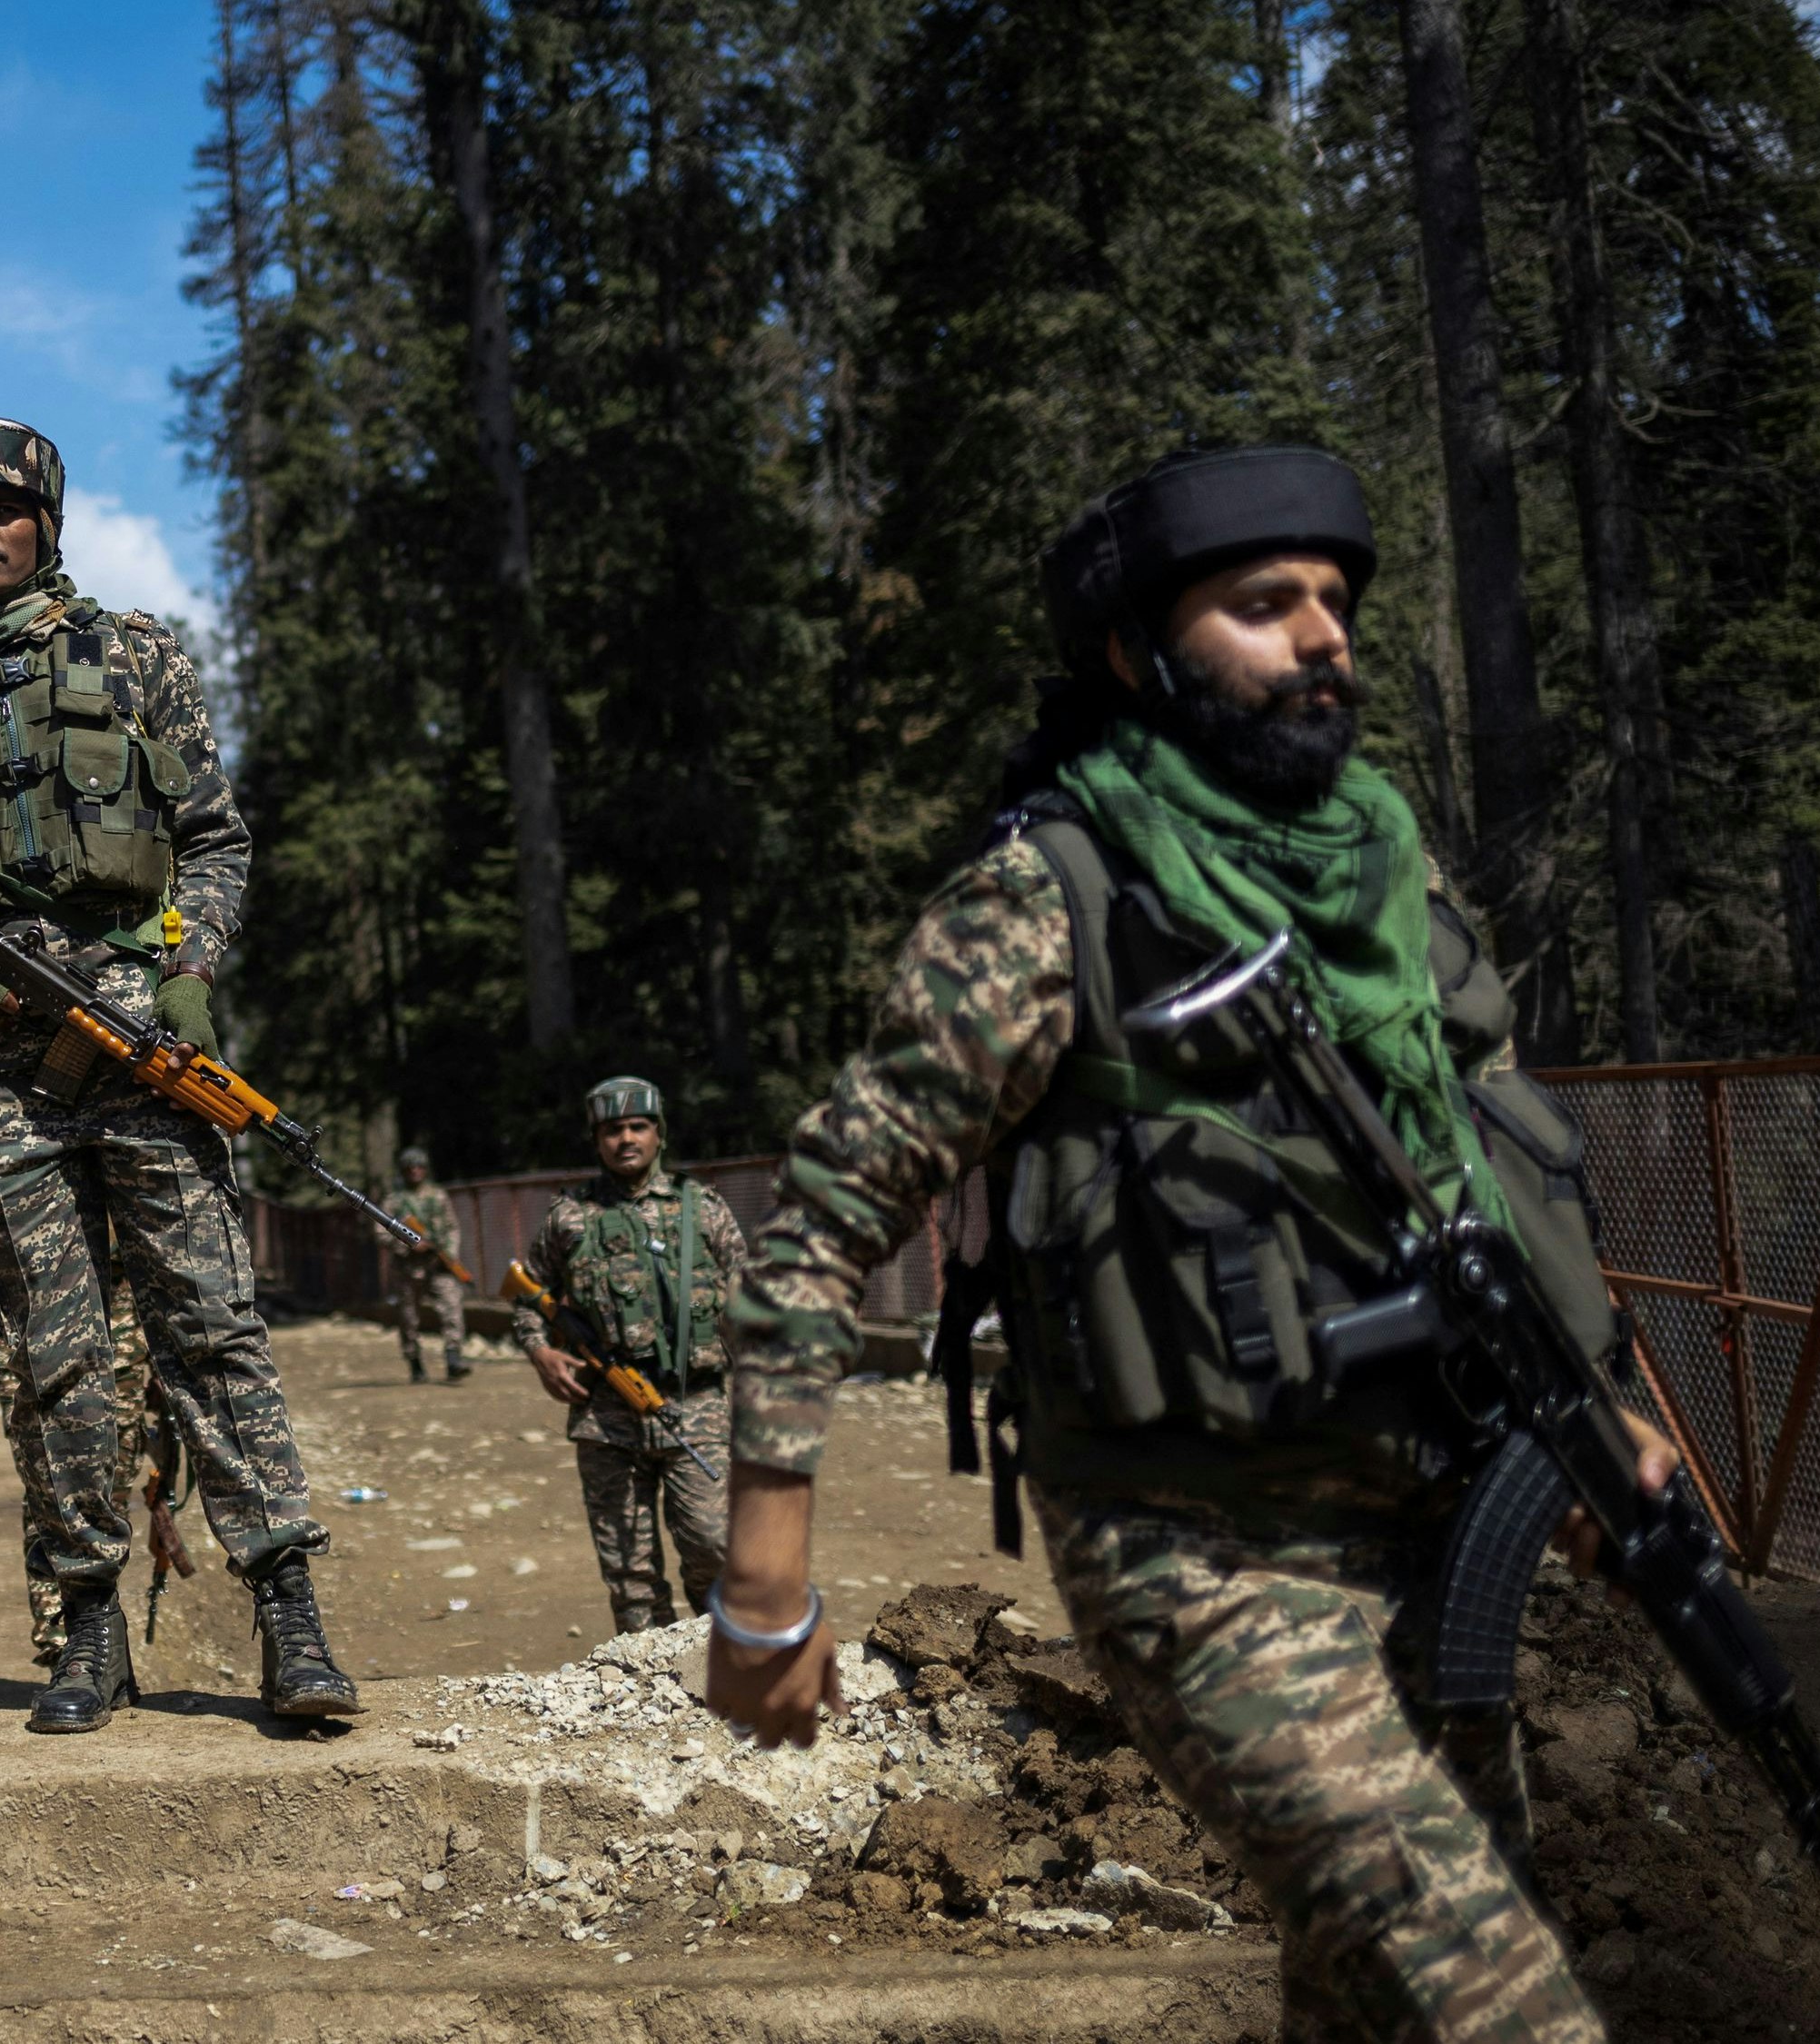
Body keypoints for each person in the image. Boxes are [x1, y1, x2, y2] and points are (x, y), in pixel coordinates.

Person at [699, 446, 1675, 2041]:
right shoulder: (1048, 901)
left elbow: (1499, 1170)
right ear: (1135, 654)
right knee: (1502, 2004)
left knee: (1380, 1994)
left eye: (1337, 604)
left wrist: (1598, 1401)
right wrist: (765, 1574)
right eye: (1264, 605)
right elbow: (822, 1217)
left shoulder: (1386, 879)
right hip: (1201, 1554)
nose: (1324, 638)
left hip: (1435, 1530)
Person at [0, 416, 355, 1734]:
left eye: (9, 509)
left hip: (148, 1041)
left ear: (47, 525)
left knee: (210, 1324)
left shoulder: (136, 659)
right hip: (2, 1076)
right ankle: (85, 1629)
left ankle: (287, 1604)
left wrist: (192, 968)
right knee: (53, 1354)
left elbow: (219, 842)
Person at [505, 1077, 744, 1634]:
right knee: (629, 1569)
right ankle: (651, 1679)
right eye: (613, 1130)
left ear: (659, 1134)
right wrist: (539, 1350)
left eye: (638, 1126)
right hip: (606, 1414)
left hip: (697, 1406)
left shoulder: (704, 1209)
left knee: (715, 1542)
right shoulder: (569, 1217)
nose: (626, 1139)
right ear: (597, 1140)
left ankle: (724, 1651)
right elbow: (525, 1293)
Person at [0, 1123, 156, 1667]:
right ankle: (67, 1642)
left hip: (117, 1327)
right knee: (49, 1482)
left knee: (108, 1480)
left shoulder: (108, 1108)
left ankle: (96, 1637)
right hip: (27, 1329)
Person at [388, 1146, 470, 1384]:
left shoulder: (438, 1196)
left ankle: (453, 1358)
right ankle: (415, 1362)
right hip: (407, 1269)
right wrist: (409, 1245)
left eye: (419, 1167)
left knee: (452, 1307)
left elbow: (452, 1228)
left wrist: (449, 1253)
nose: (415, 1171)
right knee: (408, 1318)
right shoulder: (394, 1201)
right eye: (410, 1167)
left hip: (438, 1265)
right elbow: (382, 1233)